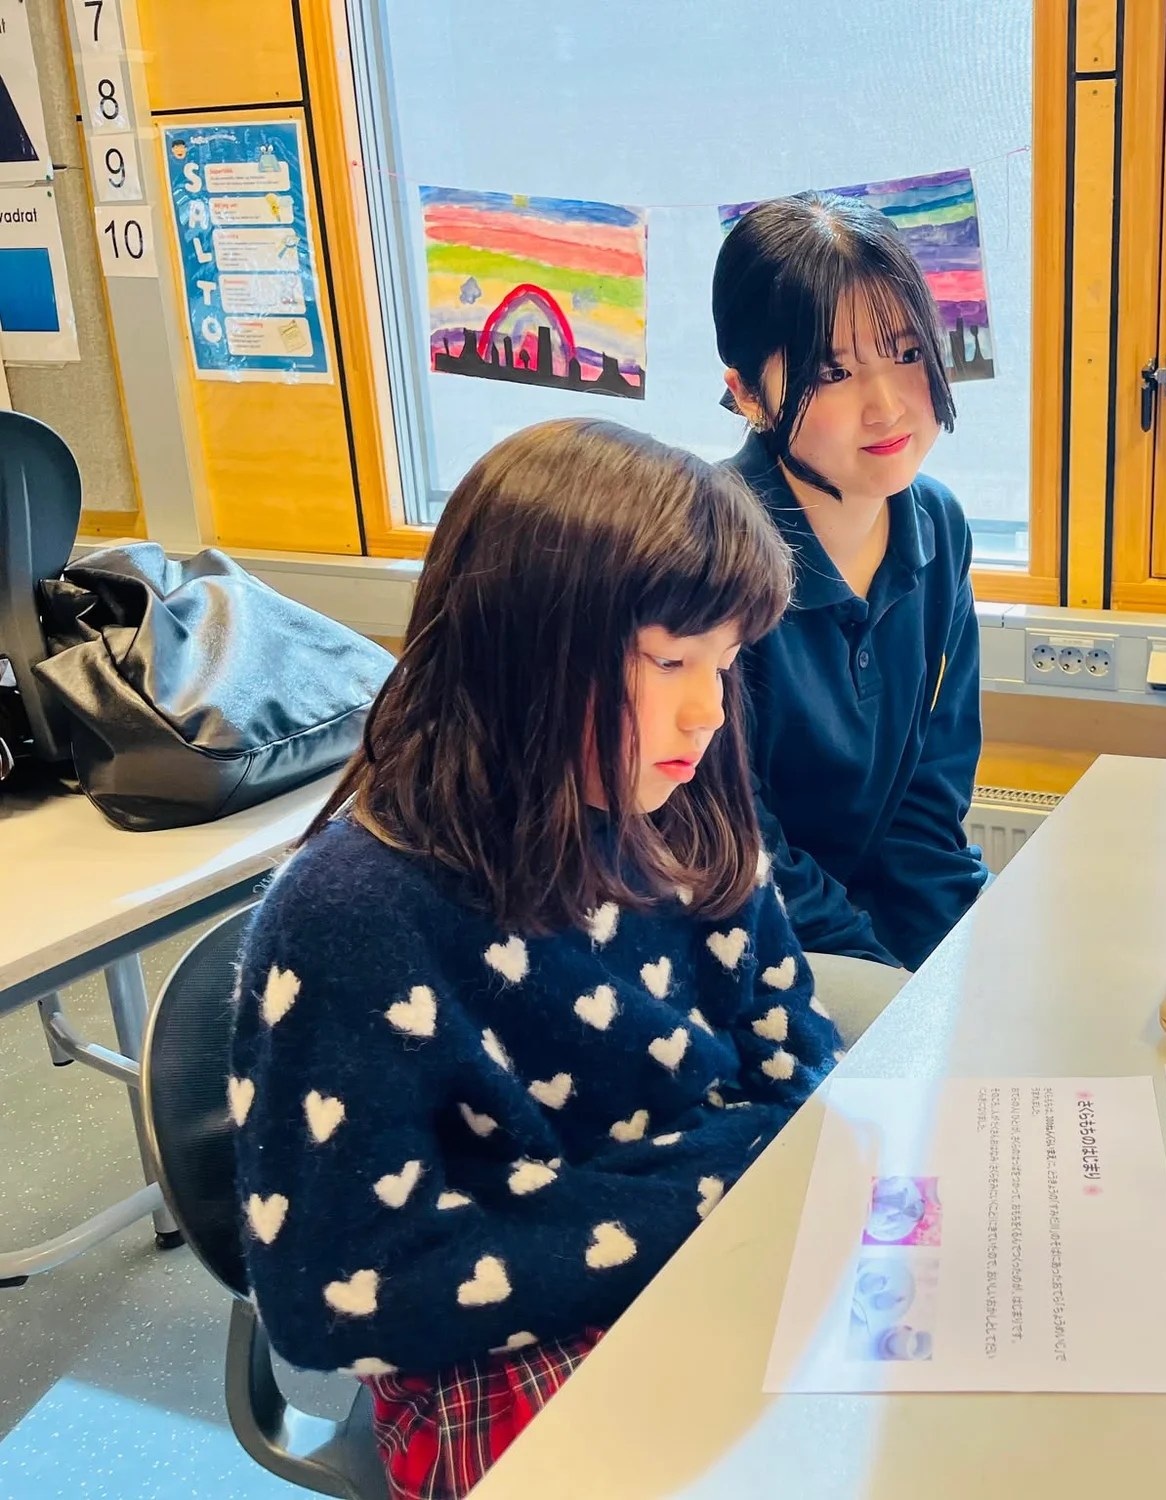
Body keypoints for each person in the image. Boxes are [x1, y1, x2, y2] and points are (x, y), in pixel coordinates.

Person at [228, 418, 840, 1499]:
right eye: (670, 661)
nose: (708, 711)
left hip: (708, 1263)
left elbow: (800, 1075)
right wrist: (724, 1182)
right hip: (493, 1363)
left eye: (727, 663)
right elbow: (336, 1297)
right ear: (524, 652)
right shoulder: (354, 915)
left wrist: (713, 1185)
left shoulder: (694, 817)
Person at [712, 190, 988, 1012]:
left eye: (906, 352)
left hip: (873, 942)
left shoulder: (937, 522)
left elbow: (929, 804)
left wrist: (950, 976)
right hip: (747, 940)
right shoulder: (704, 548)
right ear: (748, 394)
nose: (888, 404)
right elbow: (741, 843)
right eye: (833, 372)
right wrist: (892, 990)